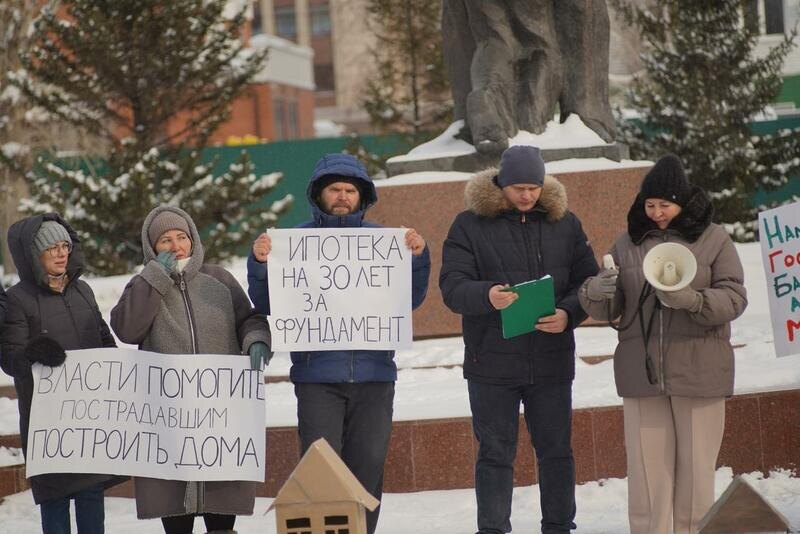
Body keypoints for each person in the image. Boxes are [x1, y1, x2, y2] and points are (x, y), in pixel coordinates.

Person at [247, 153, 431, 534]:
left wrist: (417, 258)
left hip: (375, 377)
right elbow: (267, 305)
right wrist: (261, 266)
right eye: (335, 189)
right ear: (319, 194)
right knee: (320, 475)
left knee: (368, 471)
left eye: (350, 190)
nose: (343, 196)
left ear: (362, 197)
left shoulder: (387, 242)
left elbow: (410, 300)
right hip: (317, 380)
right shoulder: (291, 243)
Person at [579, 154, 747, 534]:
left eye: (664, 205)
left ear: (683, 202)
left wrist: (694, 301)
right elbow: (612, 307)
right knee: (646, 474)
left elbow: (734, 297)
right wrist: (595, 291)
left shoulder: (714, 239)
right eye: (650, 204)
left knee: (696, 473)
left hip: (699, 371)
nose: (656, 213)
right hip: (643, 376)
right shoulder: (627, 243)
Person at [440, 145, 599, 534]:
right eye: (518, 188)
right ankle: (493, 529)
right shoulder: (469, 225)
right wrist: (487, 296)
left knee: (557, 452)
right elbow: (452, 286)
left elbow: (588, 283)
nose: (527, 196)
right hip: (490, 363)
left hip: (551, 360)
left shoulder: (566, 224)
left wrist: (568, 314)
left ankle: (560, 526)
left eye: (533, 187)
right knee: (495, 454)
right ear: (501, 184)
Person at [110, 206, 271, 534]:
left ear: (193, 239)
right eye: (165, 240)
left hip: (219, 420)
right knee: (176, 514)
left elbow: (249, 318)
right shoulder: (144, 284)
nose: (175, 245)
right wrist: (155, 278)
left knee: (221, 516)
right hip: (169, 421)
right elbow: (127, 329)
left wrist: (256, 339)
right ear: (152, 248)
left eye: (181, 237)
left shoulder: (219, 279)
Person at [1, 214, 124, 534]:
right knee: (55, 499)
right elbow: (10, 359)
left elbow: (104, 339)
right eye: (51, 248)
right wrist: (32, 353)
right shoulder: (18, 300)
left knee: (91, 494)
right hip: (47, 425)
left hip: (88, 420)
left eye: (64, 245)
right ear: (33, 255)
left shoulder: (83, 291)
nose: (60, 253)